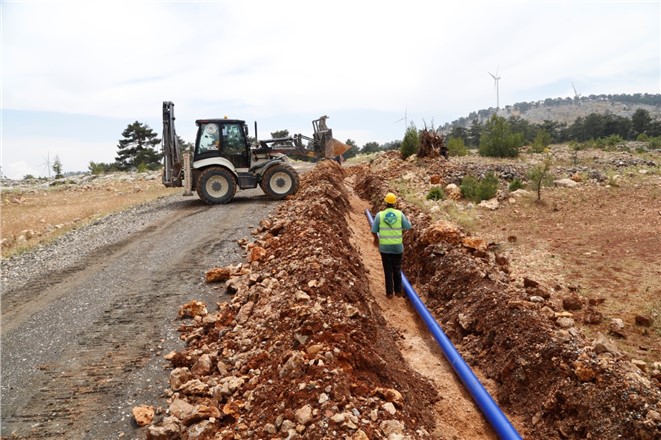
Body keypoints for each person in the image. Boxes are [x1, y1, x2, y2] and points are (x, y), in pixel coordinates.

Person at [371, 192, 412, 298]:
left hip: (384, 247)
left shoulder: (380, 215)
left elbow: (374, 230)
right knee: (397, 268)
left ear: (385, 202)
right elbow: (407, 227)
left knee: (388, 270)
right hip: (398, 247)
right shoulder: (400, 214)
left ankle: (389, 293)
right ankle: (398, 291)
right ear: (395, 203)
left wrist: (376, 240)